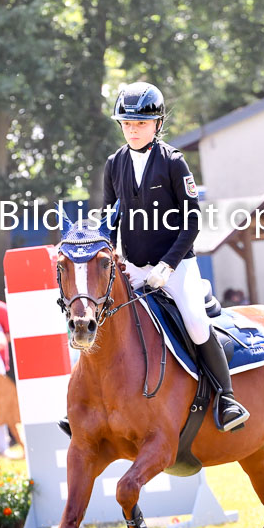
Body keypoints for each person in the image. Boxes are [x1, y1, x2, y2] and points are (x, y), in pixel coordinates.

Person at [103, 81, 248, 430]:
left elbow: (192, 219)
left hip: (176, 266)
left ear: (156, 124)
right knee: (102, 316)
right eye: (127, 123)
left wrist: (167, 265)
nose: (133, 129)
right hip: (134, 268)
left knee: (197, 324)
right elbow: (110, 216)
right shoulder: (113, 163)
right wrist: (110, 256)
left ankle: (227, 398)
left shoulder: (173, 162)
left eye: (140, 123)